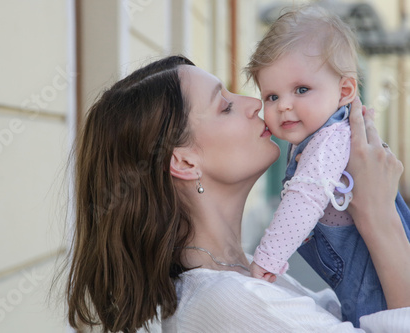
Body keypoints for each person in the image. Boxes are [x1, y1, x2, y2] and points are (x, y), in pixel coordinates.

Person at [64, 55, 410, 332]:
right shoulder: (230, 299)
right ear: (184, 161)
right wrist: (379, 214)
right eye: (225, 106)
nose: (254, 104)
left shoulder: (240, 273)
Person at [244, 5, 410, 326]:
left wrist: (269, 257)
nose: (284, 106)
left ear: (345, 91)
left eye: (301, 90)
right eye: (272, 96)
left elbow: (304, 199)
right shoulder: (320, 133)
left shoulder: (330, 139)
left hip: (374, 280)